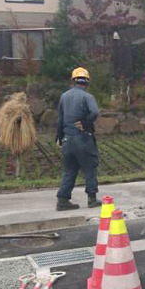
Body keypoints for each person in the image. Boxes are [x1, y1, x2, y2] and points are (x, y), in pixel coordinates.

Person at [55, 67, 102, 211]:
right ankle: (92, 199)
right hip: (82, 139)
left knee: (69, 170)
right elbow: (94, 112)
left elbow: (60, 119)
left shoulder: (64, 96)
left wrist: (59, 137)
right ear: (87, 82)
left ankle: (63, 200)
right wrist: (86, 123)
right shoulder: (87, 97)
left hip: (68, 140)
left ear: (73, 80)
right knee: (89, 167)